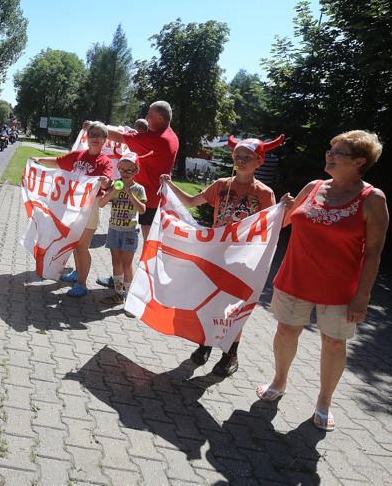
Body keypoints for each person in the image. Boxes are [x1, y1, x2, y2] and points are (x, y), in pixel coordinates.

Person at [256, 130, 388, 432]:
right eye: (330, 149)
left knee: (333, 341)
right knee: (286, 331)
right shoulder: (314, 186)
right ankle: (279, 380)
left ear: (359, 161)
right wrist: (286, 208)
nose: (329, 155)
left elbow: (374, 251)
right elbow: (286, 223)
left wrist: (362, 296)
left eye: (338, 152)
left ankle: (324, 400)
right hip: (294, 277)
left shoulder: (373, 199)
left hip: (340, 288)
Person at [161, 135, 290, 376]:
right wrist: (169, 185)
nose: (240, 160)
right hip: (215, 253)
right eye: (237, 156)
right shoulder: (221, 185)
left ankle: (231, 355)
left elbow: (273, 227)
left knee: (232, 307)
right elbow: (190, 202)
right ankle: (205, 343)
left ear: (259, 162)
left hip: (243, 259)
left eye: (247, 157)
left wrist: (286, 209)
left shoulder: (264, 193)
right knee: (209, 299)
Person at [96, 101, 179, 289]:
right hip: (155, 197)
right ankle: (130, 280)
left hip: (144, 197)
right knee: (148, 242)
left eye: (149, 114)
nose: (146, 117)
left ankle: (136, 283)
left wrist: (96, 128)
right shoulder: (172, 136)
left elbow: (120, 137)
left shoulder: (156, 138)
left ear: (160, 117)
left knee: (142, 242)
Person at [31, 121, 113, 297]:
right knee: (74, 245)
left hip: (89, 211)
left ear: (105, 139)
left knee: (82, 247)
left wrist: (106, 182)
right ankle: (77, 273)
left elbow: (108, 180)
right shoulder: (77, 155)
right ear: (87, 137)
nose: (95, 138)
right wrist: (39, 160)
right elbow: (58, 162)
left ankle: (82, 284)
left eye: (99, 135)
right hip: (71, 209)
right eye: (92, 135)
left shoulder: (105, 162)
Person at [97, 153, 147, 306]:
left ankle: (129, 297)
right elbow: (101, 204)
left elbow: (142, 210)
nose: (124, 173)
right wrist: (112, 191)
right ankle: (119, 294)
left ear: (136, 171)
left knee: (127, 265)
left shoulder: (139, 189)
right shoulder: (115, 186)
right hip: (113, 230)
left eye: (129, 171)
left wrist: (130, 194)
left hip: (129, 232)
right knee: (116, 262)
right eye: (122, 170)